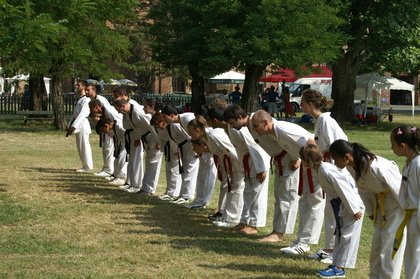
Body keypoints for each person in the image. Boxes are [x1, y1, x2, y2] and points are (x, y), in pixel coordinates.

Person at [252, 110, 325, 255]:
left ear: (266, 123)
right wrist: (296, 159)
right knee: (305, 201)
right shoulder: (277, 133)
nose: (254, 130)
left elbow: (311, 141)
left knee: (314, 202)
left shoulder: (284, 130)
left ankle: (305, 243)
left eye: (255, 126)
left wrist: (310, 164)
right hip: (307, 164)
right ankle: (301, 240)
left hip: (313, 164)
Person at [330, 139, 405, 279]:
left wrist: (409, 212)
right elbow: (363, 190)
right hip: (379, 207)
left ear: (346, 156)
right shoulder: (352, 166)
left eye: (336, 159)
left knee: (390, 248)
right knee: (377, 247)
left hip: (396, 207)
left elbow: (400, 189)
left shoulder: (376, 166)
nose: (335, 163)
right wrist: (371, 212)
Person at [300, 144, 364, 278]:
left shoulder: (325, 170)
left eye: (302, 159)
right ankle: (336, 264)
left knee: (347, 236)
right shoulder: (322, 169)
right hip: (342, 204)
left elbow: (344, 188)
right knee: (340, 234)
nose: (301, 162)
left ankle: (339, 268)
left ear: (308, 160)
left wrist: (354, 209)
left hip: (350, 204)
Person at [301, 89, 348, 264]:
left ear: (310, 103)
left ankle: (334, 250)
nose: (301, 105)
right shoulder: (319, 121)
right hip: (327, 168)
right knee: (329, 209)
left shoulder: (325, 120)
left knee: (334, 209)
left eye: (303, 102)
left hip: (334, 170)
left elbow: (338, 145)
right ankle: (329, 248)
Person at [187, 115, 245, 228]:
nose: (190, 135)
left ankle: (232, 219)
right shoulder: (207, 137)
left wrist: (240, 168)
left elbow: (232, 150)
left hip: (236, 164)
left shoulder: (214, 135)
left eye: (190, 132)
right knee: (229, 188)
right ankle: (225, 215)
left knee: (236, 189)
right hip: (228, 163)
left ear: (198, 130)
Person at [223, 105, 271, 235]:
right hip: (248, 161)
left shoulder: (252, 124)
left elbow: (256, 147)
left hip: (259, 161)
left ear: (239, 117)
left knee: (257, 193)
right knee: (248, 191)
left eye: (232, 122)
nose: (231, 126)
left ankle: (254, 225)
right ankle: (244, 221)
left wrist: (262, 168)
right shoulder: (243, 127)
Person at [390, 125, 420, 279]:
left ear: (403, 146)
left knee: (416, 258)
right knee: (410, 256)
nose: (391, 149)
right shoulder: (410, 163)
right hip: (410, 216)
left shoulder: (418, 164)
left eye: (393, 145)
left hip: (417, 216)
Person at [160, 105, 199, 204]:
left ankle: (186, 196)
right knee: (185, 169)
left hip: (193, 145)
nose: (163, 119)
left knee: (190, 170)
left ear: (172, 115)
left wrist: (198, 147)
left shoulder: (187, 118)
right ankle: (183, 194)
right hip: (186, 146)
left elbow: (197, 132)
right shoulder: (177, 123)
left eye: (165, 117)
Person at [86, 83, 119, 177]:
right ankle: (106, 168)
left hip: (109, 127)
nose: (87, 92)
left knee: (108, 147)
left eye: (88, 90)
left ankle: (109, 170)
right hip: (103, 126)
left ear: (94, 90)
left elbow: (107, 114)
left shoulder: (101, 100)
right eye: (86, 90)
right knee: (105, 148)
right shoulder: (92, 100)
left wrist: (103, 122)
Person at [67, 80, 93, 173]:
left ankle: (88, 166)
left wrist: (74, 126)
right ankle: (84, 165)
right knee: (80, 146)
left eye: (78, 85)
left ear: (83, 87)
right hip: (78, 123)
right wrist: (69, 125)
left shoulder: (86, 99)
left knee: (84, 146)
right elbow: (75, 114)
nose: (76, 86)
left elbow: (83, 114)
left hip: (83, 124)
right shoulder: (80, 99)